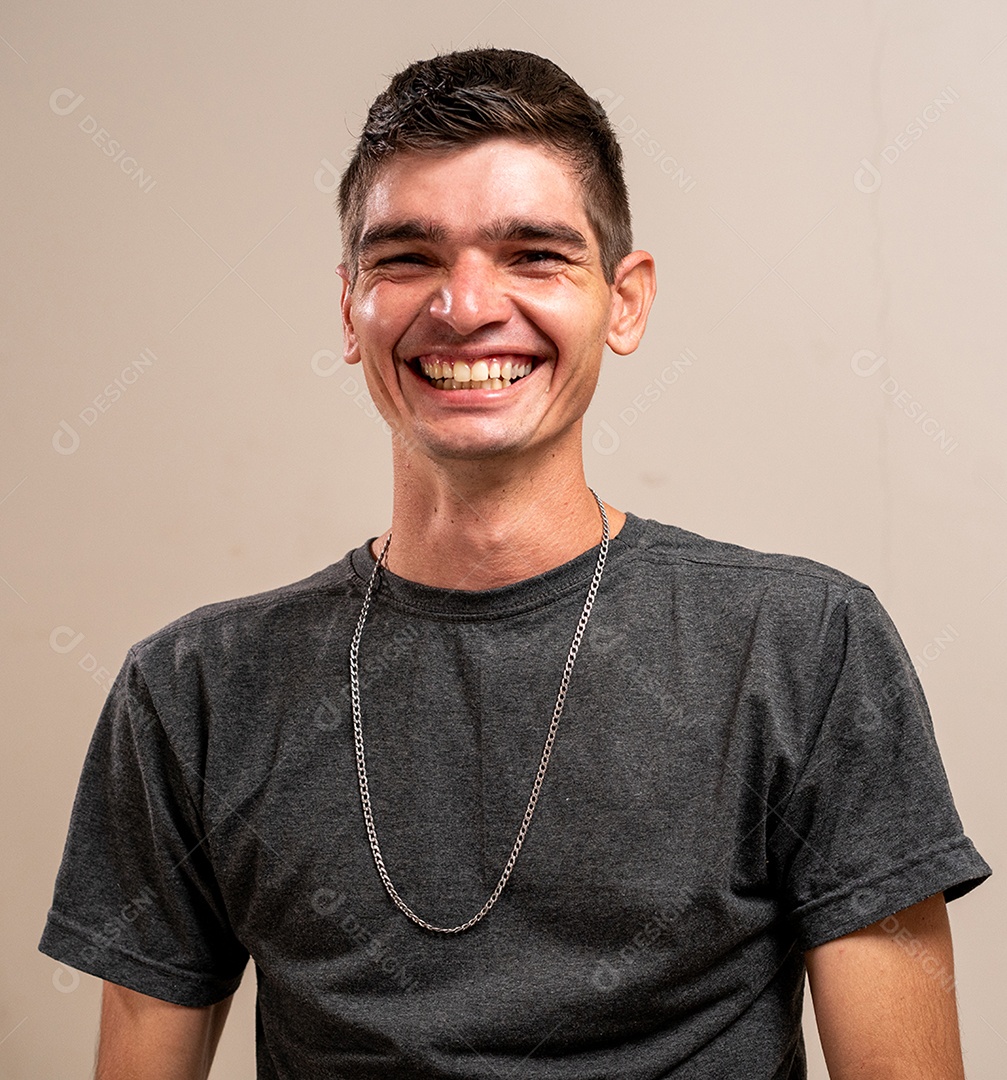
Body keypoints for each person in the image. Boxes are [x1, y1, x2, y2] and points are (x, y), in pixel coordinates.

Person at [41, 47, 990, 1079]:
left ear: (622, 301)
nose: (462, 306)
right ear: (348, 304)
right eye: (406, 257)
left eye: (532, 254)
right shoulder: (190, 691)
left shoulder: (805, 647)